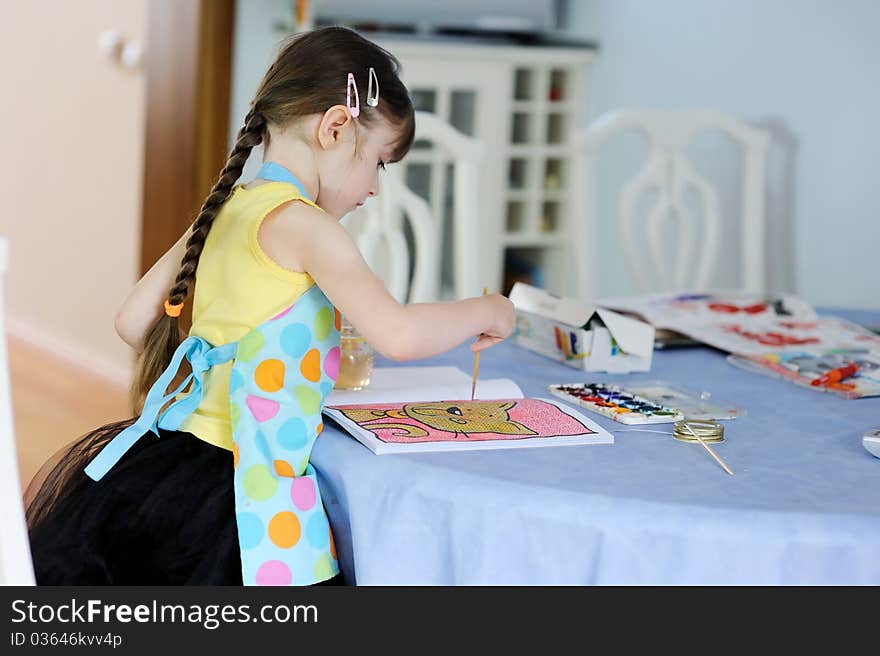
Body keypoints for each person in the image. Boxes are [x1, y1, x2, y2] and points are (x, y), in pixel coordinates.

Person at [24, 26, 515, 586]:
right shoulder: (307, 227)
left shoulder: (228, 206)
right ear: (335, 127)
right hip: (244, 492)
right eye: (378, 162)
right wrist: (487, 311)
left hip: (168, 465)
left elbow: (131, 321)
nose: (375, 188)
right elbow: (397, 334)